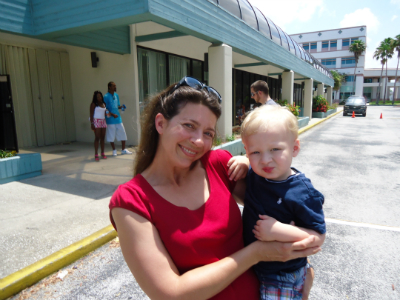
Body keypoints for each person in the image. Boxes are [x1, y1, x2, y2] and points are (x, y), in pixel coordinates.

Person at [109, 76, 321, 300]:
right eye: (189, 126)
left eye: (208, 133)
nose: (199, 141)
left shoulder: (218, 164)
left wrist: (255, 161)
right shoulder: (131, 201)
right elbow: (170, 293)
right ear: (160, 123)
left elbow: (283, 202)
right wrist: (255, 253)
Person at [241, 105, 326, 300]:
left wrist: (277, 231)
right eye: (255, 152)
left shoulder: (302, 192)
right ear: (246, 151)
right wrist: (242, 162)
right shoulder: (256, 175)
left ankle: (304, 279)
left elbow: (319, 237)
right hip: (256, 265)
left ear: (295, 148)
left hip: (282, 273)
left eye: (275, 149)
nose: (265, 160)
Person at [103, 81, 132, 156]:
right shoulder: (106, 96)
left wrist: (121, 107)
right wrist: (112, 114)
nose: (115, 87)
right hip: (110, 119)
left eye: (115, 86)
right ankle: (114, 150)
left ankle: (123, 149)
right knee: (111, 135)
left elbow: (117, 106)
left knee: (122, 132)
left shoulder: (116, 95)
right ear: (109, 87)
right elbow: (104, 108)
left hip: (118, 118)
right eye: (113, 86)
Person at [89, 91, 108, 161]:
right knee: (97, 137)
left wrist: (108, 114)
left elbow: (105, 113)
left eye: (100, 96)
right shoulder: (93, 104)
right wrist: (92, 123)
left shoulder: (104, 104)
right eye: (98, 97)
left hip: (103, 121)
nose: (99, 98)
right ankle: (96, 154)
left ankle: (102, 153)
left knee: (103, 137)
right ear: (95, 98)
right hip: (96, 121)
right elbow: (91, 114)